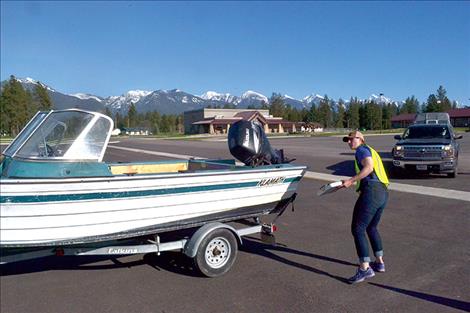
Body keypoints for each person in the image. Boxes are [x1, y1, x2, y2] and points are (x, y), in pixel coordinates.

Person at [341, 131, 389, 284]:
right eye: (347, 140)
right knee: (372, 228)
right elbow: (370, 173)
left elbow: (368, 168)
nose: (349, 142)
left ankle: (364, 269)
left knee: (358, 228)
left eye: (351, 139)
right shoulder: (371, 150)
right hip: (382, 192)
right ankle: (379, 262)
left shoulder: (361, 150)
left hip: (372, 192)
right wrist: (351, 182)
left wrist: (351, 179)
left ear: (361, 139)